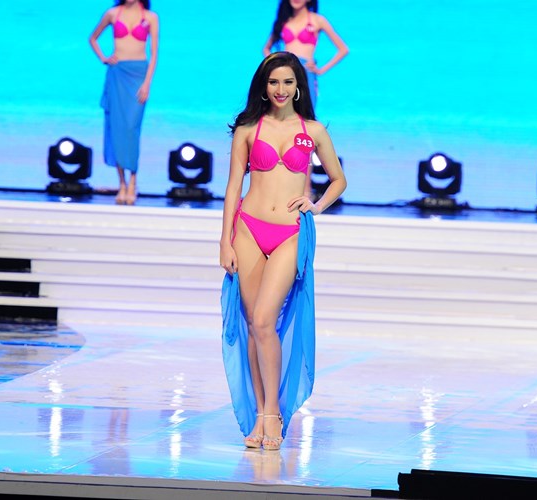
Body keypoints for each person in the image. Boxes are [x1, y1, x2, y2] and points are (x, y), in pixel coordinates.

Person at [219, 52, 346, 451]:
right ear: (264, 86)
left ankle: (273, 412)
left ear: (298, 87)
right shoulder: (247, 130)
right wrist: (224, 240)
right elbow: (233, 187)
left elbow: (339, 179)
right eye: (273, 82)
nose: (280, 89)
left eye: (288, 82)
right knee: (254, 325)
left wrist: (316, 205)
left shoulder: (313, 131)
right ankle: (260, 415)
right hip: (248, 229)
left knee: (264, 318)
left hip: (290, 232)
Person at [263, 0, 348, 201]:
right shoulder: (283, 21)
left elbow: (343, 49)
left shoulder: (317, 20)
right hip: (286, 74)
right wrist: (275, 65)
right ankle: (278, 185)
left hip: (306, 76)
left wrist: (320, 69)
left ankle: (305, 190)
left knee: (303, 131)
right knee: (280, 126)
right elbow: (266, 49)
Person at [89, 0, 159, 205]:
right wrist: (103, 58)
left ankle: (133, 181)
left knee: (131, 128)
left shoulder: (150, 17)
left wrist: (147, 83)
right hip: (117, 74)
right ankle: (121, 183)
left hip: (138, 75)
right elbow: (93, 38)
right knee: (117, 128)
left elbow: (154, 53)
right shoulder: (113, 13)